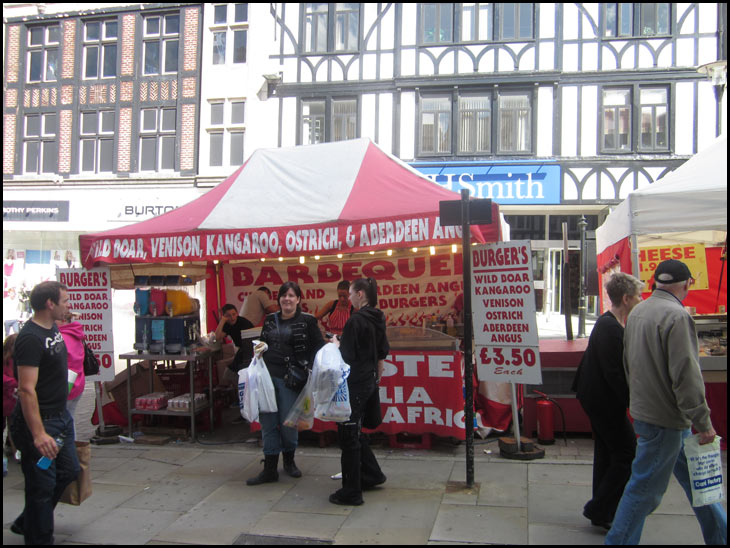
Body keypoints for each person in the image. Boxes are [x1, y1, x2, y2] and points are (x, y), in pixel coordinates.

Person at [605, 260, 727, 545]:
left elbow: (628, 365)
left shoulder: (638, 312)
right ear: (687, 285)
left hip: (650, 413)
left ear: (655, 282)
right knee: (643, 490)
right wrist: (704, 423)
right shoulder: (677, 315)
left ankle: (720, 536)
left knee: (699, 484)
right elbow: (686, 375)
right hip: (667, 419)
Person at [9, 281, 80, 545]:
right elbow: (26, 389)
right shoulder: (30, 338)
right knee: (42, 486)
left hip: (61, 417)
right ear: (49, 304)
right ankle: (38, 537)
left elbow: (64, 319)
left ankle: (27, 521)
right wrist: (38, 434)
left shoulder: (51, 326)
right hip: (42, 421)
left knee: (70, 470)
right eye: (65, 301)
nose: (69, 305)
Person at [572, 272, 644, 530]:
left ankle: (602, 509)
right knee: (627, 453)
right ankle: (599, 507)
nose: (640, 300)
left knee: (608, 452)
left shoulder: (609, 324)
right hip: (602, 400)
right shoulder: (610, 328)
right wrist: (633, 403)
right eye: (637, 296)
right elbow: (614, 374)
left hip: (598, 398)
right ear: (626, 299)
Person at [247, 281, 324, 485]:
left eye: (291, 295)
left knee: (288, 423)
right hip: (267, 379)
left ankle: (289, 462)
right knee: (268, 423)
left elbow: (318, 347)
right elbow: (263, 341)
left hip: (291, 380)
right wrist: (260, 348)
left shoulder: (307, 321)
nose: (287, 299)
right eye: (284, 295)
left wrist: (312, 369)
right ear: (279, 299)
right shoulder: (270, 320)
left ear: (298, 299)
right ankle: (270, 468)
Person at [329, 277, 389, 506]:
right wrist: (377, 378)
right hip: (369, 381)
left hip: (355, 383)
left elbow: (347, 355)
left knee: (348, 435)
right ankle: (372, 474)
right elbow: (382, 352)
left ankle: (351, 491)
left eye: (352, 293)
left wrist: (336, 344)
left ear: (361, 294)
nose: (349, 298)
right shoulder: (378, 317)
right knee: (355, 431)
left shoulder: (356, 321)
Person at [215, 304, 254, 387]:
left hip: (250, 351)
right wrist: (222, 321)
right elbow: (217, 337)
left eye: (233, 314)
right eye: (228, 316)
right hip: (242, 351)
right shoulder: (227, 324)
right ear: (224, 316)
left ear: (237, 313)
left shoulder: (243, 322)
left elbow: (249, 344)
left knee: (232, 373)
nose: (232, 318)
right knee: (228, 374)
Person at [57, 310, 86, 420]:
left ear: (63, 320)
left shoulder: (61, 337)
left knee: (63, 422)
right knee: (69, 419)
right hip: (78, 383)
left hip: (67, 386)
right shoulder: (75, 333)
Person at [3, 334, 18, 477]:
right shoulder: (6, 360)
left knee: (14, 426)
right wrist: (16, 383)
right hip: (7, 398)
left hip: (12, 399)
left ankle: (15, 451)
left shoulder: (17, 360)